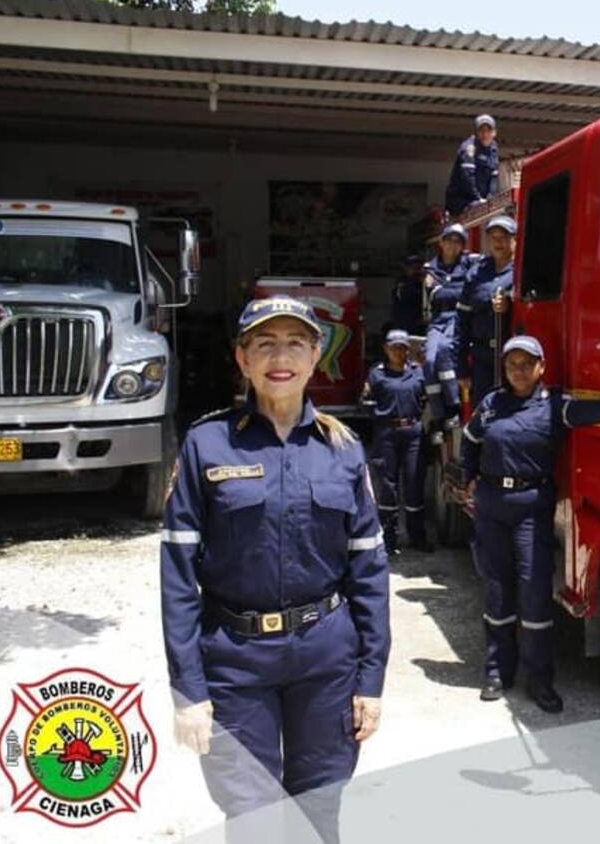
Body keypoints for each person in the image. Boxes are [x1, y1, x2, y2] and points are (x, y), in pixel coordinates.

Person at [160, 295, 390, 844]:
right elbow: (176, 577)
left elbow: (369, 572)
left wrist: (371, 679)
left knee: (319, 805)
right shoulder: (206, 444)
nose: (279, 357)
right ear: (242, 359)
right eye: (264, 344)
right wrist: (188, 691)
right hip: (235, 661)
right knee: (251, 813)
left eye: (294, 344)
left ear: (316, 357)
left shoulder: (344, 449)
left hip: (325, 659)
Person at [459, 335, 600, 711]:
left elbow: (584, 412)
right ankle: (497, 671)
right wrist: (468, 475)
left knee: (535, 593)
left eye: (526, 363)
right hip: (491, 505)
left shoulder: (553, 405)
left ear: (541, 367)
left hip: (530, 510)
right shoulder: (491, 404)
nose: (518, 370)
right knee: (497, 590)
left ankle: (539, 680)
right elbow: (469, 440)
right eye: (511, 364)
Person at [365, 329, 429, 553]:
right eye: (393, 347)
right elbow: (366, 400)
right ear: (386, 349)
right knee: (387, 486)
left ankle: (416, 536)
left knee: (414, 483)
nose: (398, 351)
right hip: (387, 433)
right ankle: (389, 537)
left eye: (402, 347)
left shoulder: (418, 372)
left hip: (413, 432)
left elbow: (426, 397)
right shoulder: (377, 374)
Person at [455, 215, 516, 404]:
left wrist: (510, 304)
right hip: (482, 358)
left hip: (513, 359)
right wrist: (462, 368)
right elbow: (462, 322)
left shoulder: (523, 269)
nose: (498, 242)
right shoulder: (476, 273)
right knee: (482, 413)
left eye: (504, 237)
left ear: (516, 239)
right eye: (493, 237)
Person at [423, 222, 478, 428]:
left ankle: (453, 405)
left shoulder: (470, 263)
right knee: (429, 361)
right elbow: (435, 296)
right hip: (438, 320)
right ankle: (439, 412)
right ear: (441, 242)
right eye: (449, 240)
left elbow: (470, 291)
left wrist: (448, 290)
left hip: (459, 317)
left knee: (446, 350)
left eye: (458, 241)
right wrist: (460, 289)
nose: (453, 245)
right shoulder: (431, 268)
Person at [444, 114, 499, 216]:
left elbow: (494, 176)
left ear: (494, 133)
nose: (485, 134)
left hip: (480, 201)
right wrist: (478, 199)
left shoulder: (494, 148)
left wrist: (489, 199)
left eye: (488, 131)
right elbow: (468, 178)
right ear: (476, 133)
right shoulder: (469, 148)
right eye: (482, 131)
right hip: (462, 200)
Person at [389, 254, 425, 335]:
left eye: (418, 268)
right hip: (404, 326)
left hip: (419, 326)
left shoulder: (421, 283)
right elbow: (406, 296)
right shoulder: (402, 283)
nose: (416, 271)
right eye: (413, 268)